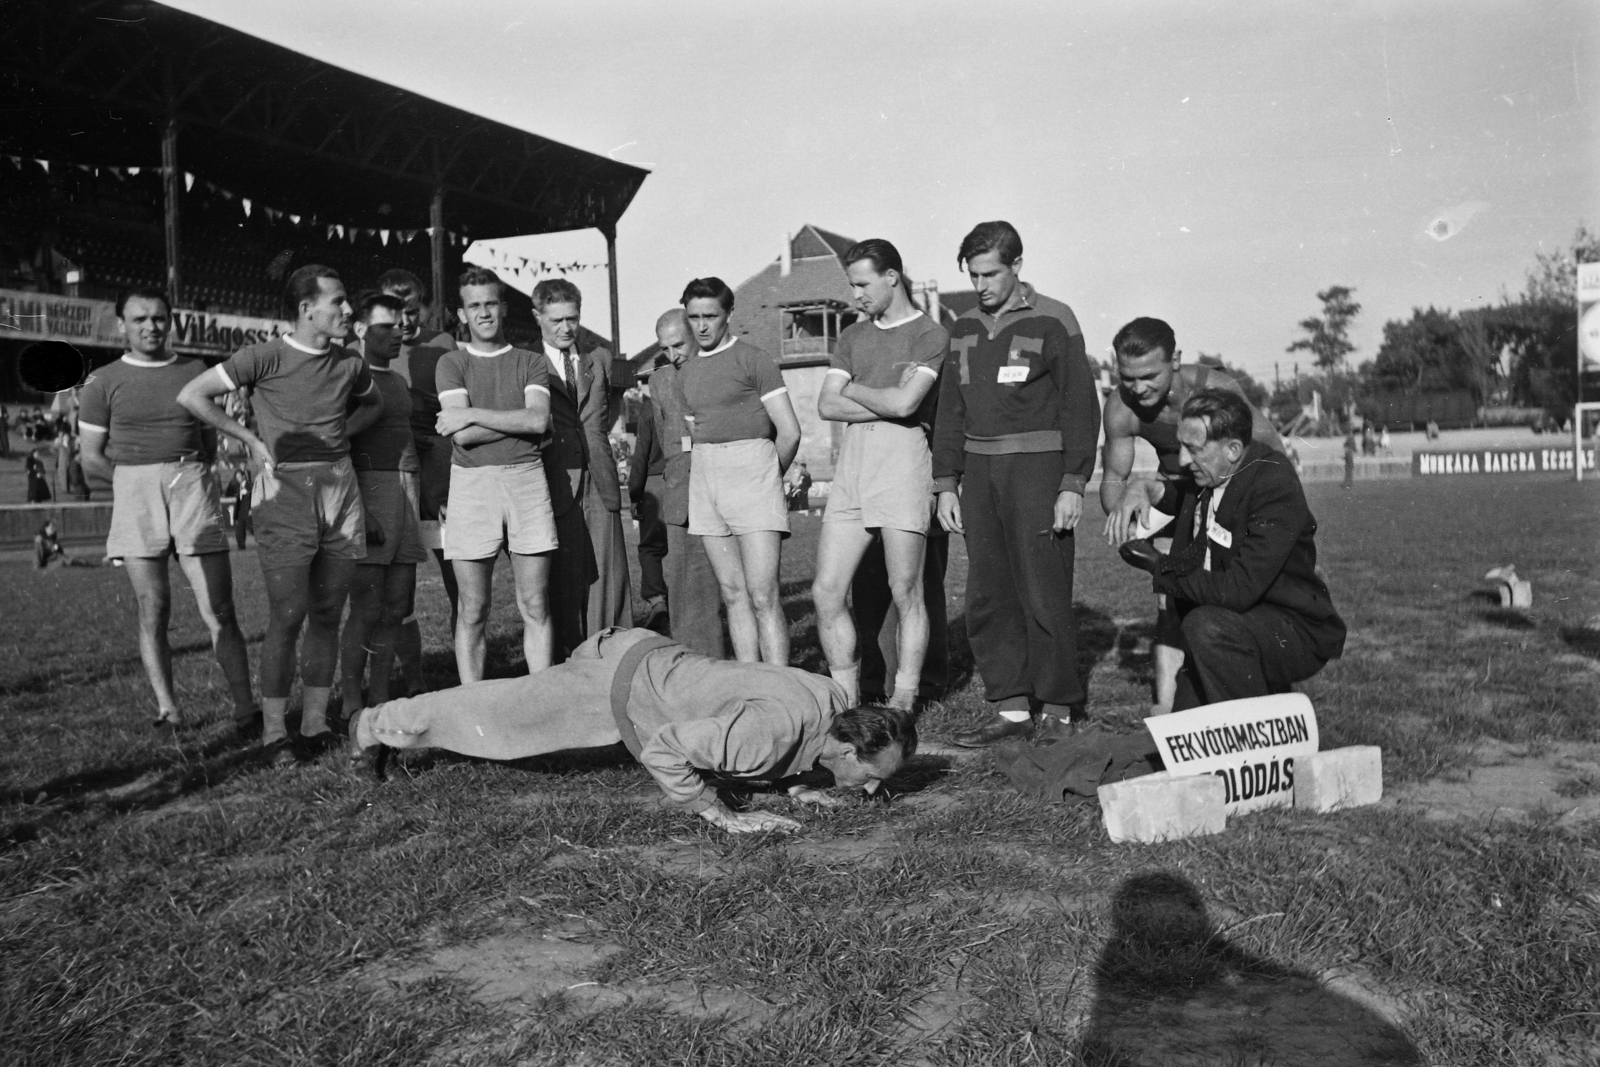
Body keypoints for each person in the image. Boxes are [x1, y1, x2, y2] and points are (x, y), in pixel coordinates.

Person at [346, 626, 917, 834]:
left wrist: (802, 786)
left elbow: (791, 746)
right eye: (868, 775)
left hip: (649, 656)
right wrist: (720, 814)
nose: (871, 789)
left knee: (494, 716)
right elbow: (667, 748)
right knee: (490, 720)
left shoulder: (837, 702)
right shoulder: (762, 734)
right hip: (613, 679)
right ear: (844, 745)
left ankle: (384, 729)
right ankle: (371, 725)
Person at [178, 264, 384, 762]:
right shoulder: (264, 356)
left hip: (340, 489)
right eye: (337, 301)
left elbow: (371, 406)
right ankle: (274, 731)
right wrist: (249, 438)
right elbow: (192, 395)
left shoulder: (351, 363)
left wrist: (334, 438)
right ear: (305, 309)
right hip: (286, 490)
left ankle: (314, 721)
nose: (347, 310)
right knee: (287, 614)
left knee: (328, 613)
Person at [932, 221, 1101, 746]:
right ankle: (1010, 708)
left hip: (1038, 471)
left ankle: (1056, 708)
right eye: (973, 274)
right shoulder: (962, 328)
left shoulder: (1055, 318)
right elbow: (949, 412)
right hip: (980, 477)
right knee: (988, 592)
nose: (981, 284)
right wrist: (945, 483)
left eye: (991, 273)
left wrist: (1073, 482)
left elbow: (1080, 406)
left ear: (1017, 266)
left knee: (1043, 589)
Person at [78, 287, 256, 728]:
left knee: (219, 608)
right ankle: (169, 709)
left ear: (170, 320)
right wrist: (133, 485)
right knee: (153, 608)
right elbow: (90, 458)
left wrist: (187, 481)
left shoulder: (195, 372)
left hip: (191, 483)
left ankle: (244, 707)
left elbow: (210, 443)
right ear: (121, 325)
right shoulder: (102, 381)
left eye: (158, 318)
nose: (150, 327)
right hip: (135, 489)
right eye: (139, 319)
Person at [1118, 389, 1346, 709]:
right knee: (1184, 736)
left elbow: (1236, 591)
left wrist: (1158, 563)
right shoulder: (1212, 472)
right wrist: (1142, 487)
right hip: (1233, 625)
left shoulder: (1272, 480)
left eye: (1193, 449)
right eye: (1182, 446)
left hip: (1292, 630)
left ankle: (1256, 737)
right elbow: (1179, 493)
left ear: (1233, 449)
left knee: (1204, 626)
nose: (1183, 460)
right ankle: (1267, 703)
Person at [1100, 318, 1283, 714]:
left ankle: (1251, 694)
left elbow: (1271, 451)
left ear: (1177, 361)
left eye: (1149, 375)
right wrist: (1125, 525)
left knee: (1237, 595)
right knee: (1171, 599)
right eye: (1128, 377)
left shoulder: (1216, 388)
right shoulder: (1121, 407)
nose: (1138, 388)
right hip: (1177, 496)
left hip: (1228, 492)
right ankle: (1167, 711)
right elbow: (1114, 478)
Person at [812, 239, 948, 711]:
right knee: (826, 590)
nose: (857, 296)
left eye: (863, 284)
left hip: (903, 461)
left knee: (905, 588)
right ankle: (846, 698)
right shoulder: (851, 336)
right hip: (853, 463)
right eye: (852, 286)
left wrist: (858, 388)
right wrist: (885, 393)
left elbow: (908, 405)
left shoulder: (930, 334)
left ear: (892, 276)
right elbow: (827, 403)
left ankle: (905, 698)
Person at [432, 268, 556, 681]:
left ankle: (540, 700)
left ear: (502, 307)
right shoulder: (451, 362)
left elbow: (538, 421)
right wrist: (513, 420)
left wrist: (469, 413)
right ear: (462, 314)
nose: (483, 312)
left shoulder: (531, 361)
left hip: (526, 478)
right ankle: (474, 707)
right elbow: (462, 436)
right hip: (472, 484)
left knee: (535, 603)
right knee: (472, 606)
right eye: (474, 306)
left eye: (490, 303)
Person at [677, 277, 802, 664]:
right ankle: (748, 683)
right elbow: (694, 434)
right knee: (732, 594)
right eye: (694, 317)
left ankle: (779, 688)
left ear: (728, 314)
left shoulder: (754, 359)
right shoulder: (686, 372)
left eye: (710, 316)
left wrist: (766, 477)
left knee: (763, 595)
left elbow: (790, 431)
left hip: (754, 474)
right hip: (707, 478)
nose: (701, 326)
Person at [339, 292, 430, 715]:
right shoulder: (348, 378)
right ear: (360, 330)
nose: (398, 332)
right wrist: (363, 509)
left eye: (400, 324)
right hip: (370, 493)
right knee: (366, 608)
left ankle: (379, 695)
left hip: (406, 492)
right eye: (386, 326)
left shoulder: (396, 380)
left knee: (397, 605)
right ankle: (352, 701)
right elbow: (339, 450)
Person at [533, 278, 632, 660]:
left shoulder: (600, 360)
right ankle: (568, 664)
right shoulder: (529, 364)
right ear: (538, 317)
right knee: (563, 582)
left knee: (611, 579)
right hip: (556, 480)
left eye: (572, 318)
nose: (565, 328)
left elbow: (608, 412)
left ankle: (615, 659)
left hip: (601, 479)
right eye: (556, 320)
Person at [627, 310, 727, 658]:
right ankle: (693, 659)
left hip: (723, 485)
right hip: (679, 491)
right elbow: (666, 439)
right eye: (665, 349)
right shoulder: (659, 381)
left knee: (730, 585)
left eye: (678, 345)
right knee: (683, 580)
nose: (673, 355)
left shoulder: (723, 367)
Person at [379, 268, 459, 693]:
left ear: (424, 307)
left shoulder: (443, 344)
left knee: (459, 573)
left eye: (412, 311)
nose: (405, 322)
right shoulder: (367, 349)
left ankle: (469, 673)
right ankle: (412, 680)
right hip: (395, 473)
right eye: (395, 312)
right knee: (398, 585)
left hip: (440, 472)